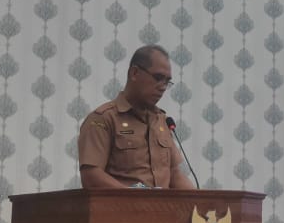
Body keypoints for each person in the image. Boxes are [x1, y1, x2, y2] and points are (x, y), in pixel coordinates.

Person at [78, 45, 197, 189]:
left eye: (167, 82)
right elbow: (91, 176)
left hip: (161, 204)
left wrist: (199, 200)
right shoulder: (103, 119)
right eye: (158, 78)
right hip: (120, 204)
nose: (162, 87)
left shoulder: (162, 121)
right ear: (134, 73)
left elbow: (174, 174)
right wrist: (136, 197)